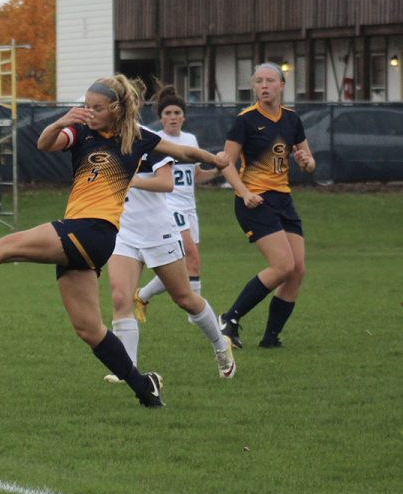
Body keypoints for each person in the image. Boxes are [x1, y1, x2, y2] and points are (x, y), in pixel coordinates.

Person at [0, 74, 229, 408]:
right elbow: (44, 143)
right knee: (89, 329)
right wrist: (62, 120)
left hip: (93, 230)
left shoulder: (137, 138)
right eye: (86, 106)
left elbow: (182, 151)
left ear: (114, 109)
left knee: (4, 249)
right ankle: (145, 388)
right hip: (84, 235)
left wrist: (214, 159)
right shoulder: (80, 132)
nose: (89, 112)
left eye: (96, 107)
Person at [104, 146, 235, 384]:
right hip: (124, 234)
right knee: (120, 298)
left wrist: (131, 180)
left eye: (100, 108)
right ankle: (128, 370)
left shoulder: (147, 140)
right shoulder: (102, 144)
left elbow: (166, 184)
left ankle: (220, 345)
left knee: (184, 298)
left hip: (159, 233)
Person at [218, 62, 315, 349]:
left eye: (270, 80)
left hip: (282, 200)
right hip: (255, 201)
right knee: (283, 265)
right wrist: (244, 192)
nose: (264, 86)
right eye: (259, 81)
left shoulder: (292, 119)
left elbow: (309, 162)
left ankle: (270, 338)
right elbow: (226, 163)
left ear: (281, 85)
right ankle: (230, 318)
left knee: (297, 270)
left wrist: (307, 163)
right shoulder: (245, 120)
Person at [133, 84, 220, 320]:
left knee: (183, 267)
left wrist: (218, 171)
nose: (172, 117)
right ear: (160, 118)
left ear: (184, 116)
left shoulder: (190, 140)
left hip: (189, 209)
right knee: (191, 256)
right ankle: (196, 317)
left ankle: (142, 295)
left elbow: (196, 175)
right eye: (167, 113)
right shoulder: (156, 141)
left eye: (176, 113)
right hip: (168, 208)